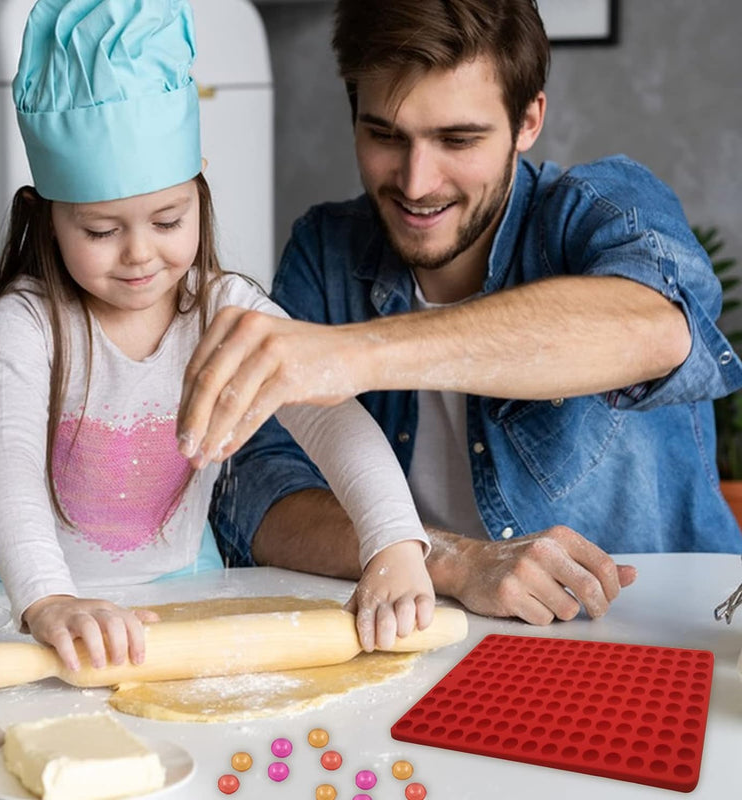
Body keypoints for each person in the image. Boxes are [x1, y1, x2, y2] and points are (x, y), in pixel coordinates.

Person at [176, 0, 742, 624]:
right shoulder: (325, 249)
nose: (417, 183)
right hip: (432, 639)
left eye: (458, 139)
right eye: (385, 135)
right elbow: (258, 491)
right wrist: (453, 560)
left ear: (528, 120)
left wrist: (353, 355)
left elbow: (657, 328)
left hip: (660, 634)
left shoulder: (604, 209)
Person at [0, 0, 436, 671]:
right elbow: (7, 473)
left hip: (182, 585)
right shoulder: (24, 327)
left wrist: (395, 546)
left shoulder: (227, 312)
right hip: (2, 591)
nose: (140, 255)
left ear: (199, 190)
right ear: (44, 216)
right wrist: (49, 599)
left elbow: (332, 421)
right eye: (101, 231)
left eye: (168, 220)